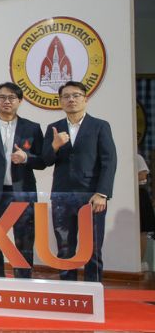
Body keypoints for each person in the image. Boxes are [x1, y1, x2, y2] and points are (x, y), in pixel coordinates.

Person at [42, 81, 117, 282]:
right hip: (61, 196)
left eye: (76, 95)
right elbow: (45, 160)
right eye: (66, 96)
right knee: (64, 248)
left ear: (85, 99)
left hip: (91, 196)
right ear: (60, 101)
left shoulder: (100, 126)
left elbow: (109, 161)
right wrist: (55, 146)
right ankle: (68, 291)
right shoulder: (54, 128)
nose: (71, 99)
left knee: (92, 248)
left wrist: (102, 193)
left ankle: (93, 290)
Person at [0, 83, 45, 278]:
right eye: (2, 97)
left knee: (24, 240)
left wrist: (26, 158)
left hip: (22, 193)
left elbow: (43, 161)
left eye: (12, 97)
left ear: (20, 101)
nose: (7, 101)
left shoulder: (32, 128)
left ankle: (23, 283)